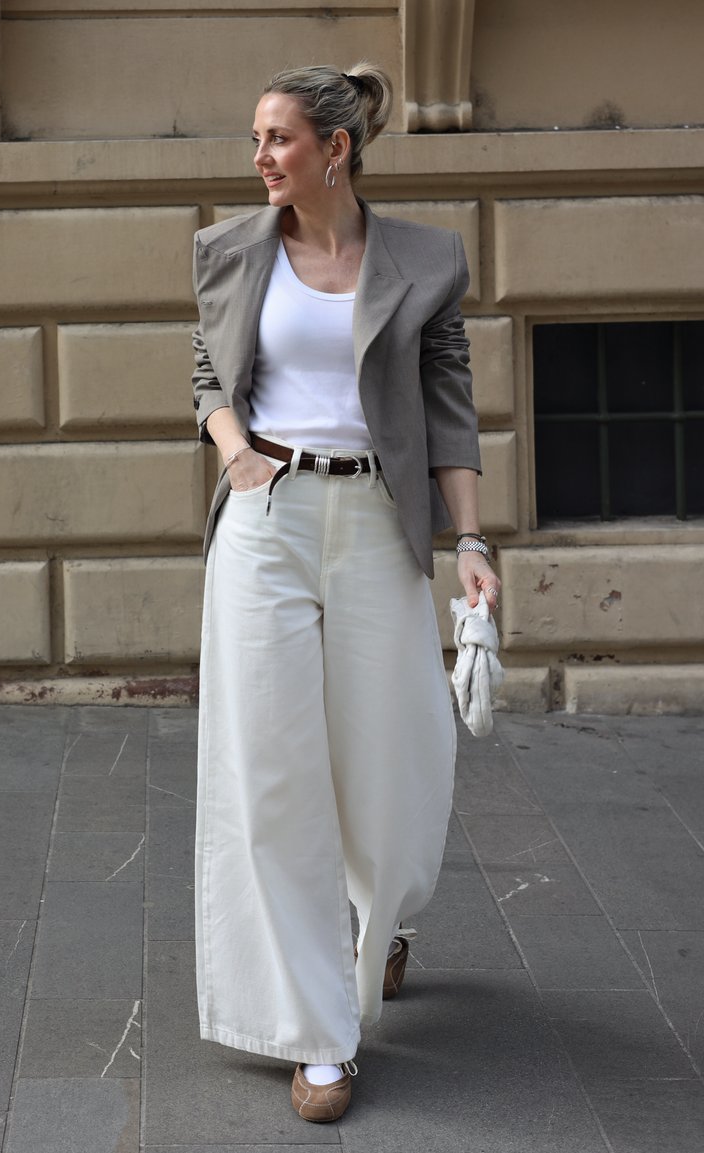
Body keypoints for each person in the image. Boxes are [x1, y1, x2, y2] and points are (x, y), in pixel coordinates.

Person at [191, 62, 501, 1123]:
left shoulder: (422, 260)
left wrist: (469, 540)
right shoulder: (230, 251)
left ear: (335, 146)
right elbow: (205, 372)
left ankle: (384, 917)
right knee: (272, 768)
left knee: (395, 763)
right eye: (253, 139)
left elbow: (449, 406)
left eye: (277, 138)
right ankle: (319, 1034)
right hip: (267, 523)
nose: (259, 157)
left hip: (376, 522)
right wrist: (235, 453)